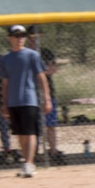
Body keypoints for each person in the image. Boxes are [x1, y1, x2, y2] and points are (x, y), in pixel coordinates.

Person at [0, 24, 51, 178]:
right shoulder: (5, 59)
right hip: (14, 101)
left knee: (30, 132)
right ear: (10, 38)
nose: (19, 39)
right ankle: (26, 162)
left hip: (29, 99)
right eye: (16, 36)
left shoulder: (32, 55)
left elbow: (42, 78)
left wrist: (46, 98)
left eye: (22, 36)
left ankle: (29, 163)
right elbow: (5, 83)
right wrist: (4, 104)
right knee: (20, 134)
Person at [26, 25, 65, 165]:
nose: (35, 40)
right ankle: (34, 154)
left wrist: (39, 71)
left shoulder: (46, 52)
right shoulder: (25, 53)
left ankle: (53, 152)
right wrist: (43, 69)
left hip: (48, 93)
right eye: (32, 37)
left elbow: (53, 69)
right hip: (31, 94)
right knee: (33, 126)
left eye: (38, 37)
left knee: (50, 125)